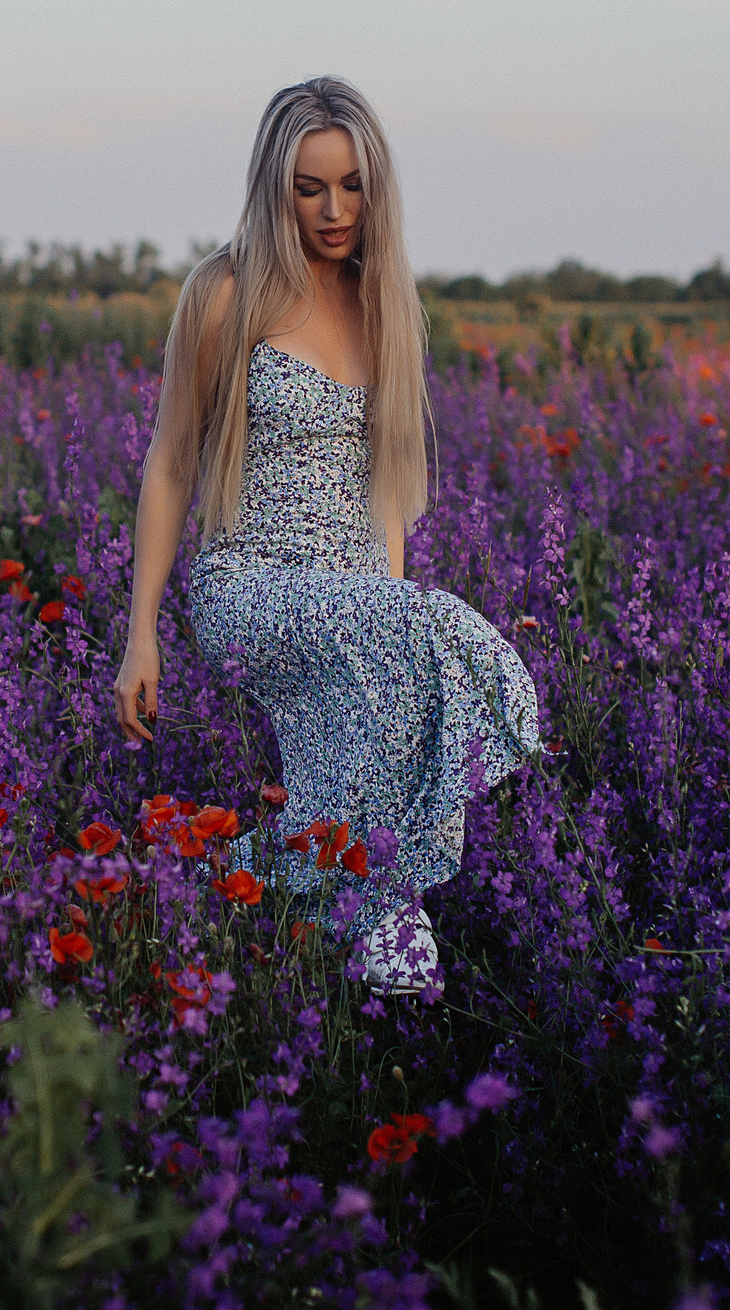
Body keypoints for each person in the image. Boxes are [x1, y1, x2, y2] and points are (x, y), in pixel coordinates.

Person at [111, 75, 542, 997]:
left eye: (351, 184)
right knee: (425, 637)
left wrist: (390, 614)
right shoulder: (226, 293)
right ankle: (382, 898)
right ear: (276, 185)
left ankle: (271, 890)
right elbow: (170, 461)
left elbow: (385, 492)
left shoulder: (382, 301)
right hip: (250, 581)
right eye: (311, 187)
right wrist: (140, 631)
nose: (334, 208)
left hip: (352, 591)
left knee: (426, 662)